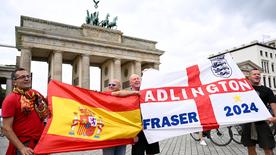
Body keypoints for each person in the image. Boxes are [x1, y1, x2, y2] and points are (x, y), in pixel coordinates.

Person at [2, 68, 49, 155]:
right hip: (25, 145)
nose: (27, 79)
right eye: (22, 77)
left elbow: (49, 102)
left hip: (41, 143)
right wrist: (21, 148)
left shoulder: (35, 93)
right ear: (14, 82)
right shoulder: (10, 99)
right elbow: (6, 128)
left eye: (28, 76)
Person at [241, 68, 276, 155]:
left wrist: (275, 117)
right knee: (250, 147)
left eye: (258, 74)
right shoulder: (243, 90)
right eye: (254, 74)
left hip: (263, 122)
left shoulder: (267, 90)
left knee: (268, 148)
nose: (257, 75)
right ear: (248, 77)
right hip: (248, 122)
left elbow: (273, 105)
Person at [129, 74, 160, 155]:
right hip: (137, 131)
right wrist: (132, 134)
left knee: (151, 152)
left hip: (150, 128)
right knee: (138, 153)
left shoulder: (148, 93)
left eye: (138, 78)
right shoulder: (127, 96)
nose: (136, 80)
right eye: (134, 79)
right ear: (130, 84)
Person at [102, 79, 127, 155]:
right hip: (108, 134)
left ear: (119, 86)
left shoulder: (125, 97)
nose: (110, 86)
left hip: (121, 134)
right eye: (109, 85)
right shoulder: (103, 96)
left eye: (113, 85)